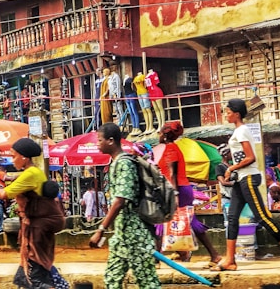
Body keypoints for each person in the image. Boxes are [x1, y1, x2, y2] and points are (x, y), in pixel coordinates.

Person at [212, 98, 280, 272]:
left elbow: (250, 158)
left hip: (248, 177)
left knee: (262, 217)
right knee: (232, 218)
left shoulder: (242, 131)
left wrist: (231, 167)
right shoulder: (239, 131)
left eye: (228, 112)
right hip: (241, 178)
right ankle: (230, 259)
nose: (226, 115)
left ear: (237, 114)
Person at [88, 122, 160, 288]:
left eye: (100, 140)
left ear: (111, 141)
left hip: (135, 235)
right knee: (112, 280)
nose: (97, 144)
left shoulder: (125, 163)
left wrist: (101, 229)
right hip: (121, 236)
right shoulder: (115, 163)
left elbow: (121, 199)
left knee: (148, 283)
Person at [0, 138, 65, 288]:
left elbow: (5, 194)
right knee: (26, 277)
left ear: (24, 157)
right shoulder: (36, 172)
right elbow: (18, 180)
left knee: (35, 278)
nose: (12, 161)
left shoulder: (30, 174)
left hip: (36, 231)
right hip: (39, 231)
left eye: (14, 156)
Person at [155, 121, 222, 268]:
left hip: (177, 190)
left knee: (163, 221)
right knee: (188, 221)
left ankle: (156, 260)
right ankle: (208, 254)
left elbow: (172, 174)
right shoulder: (172, 148)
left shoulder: (170, 149)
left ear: (165, 135)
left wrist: (174, 194)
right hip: (180, 188)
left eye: (160, 132)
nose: (158, 135)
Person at [215, 144, 234, 222]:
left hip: (235, 198)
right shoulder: (219, 167)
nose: (232, 154)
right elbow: (223, 182)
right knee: (229, 223)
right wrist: (235, 183)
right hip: (227, 198)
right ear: (225, 154)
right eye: (230, 152)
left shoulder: (232, 166)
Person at [145, 69, 165, 133]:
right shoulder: (147, 76)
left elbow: (157, 82)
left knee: (160, 107)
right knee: (156, 109)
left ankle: (163, 123)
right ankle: (159, 124)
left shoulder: (154, 73)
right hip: (151, 92)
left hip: (156, 91)